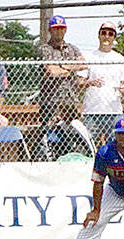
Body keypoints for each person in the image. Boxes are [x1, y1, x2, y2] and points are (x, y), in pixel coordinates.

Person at [38, 16, 87, 147]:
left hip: (71, 100)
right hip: (51, 102)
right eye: (55, 29)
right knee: (50, 138)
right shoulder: (45, 49)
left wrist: (63, 67)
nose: (59, 32)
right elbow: (52, 71)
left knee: (74, 135)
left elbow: (83, 64)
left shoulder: (72, 48)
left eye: (61, 29)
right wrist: (71, 68)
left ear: (65, 30)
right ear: (50, 30)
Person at [81, 22, 124, 148]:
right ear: (99, 35)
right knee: (88, 146)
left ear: (114, 37)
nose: (106, 36)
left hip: (114, 111)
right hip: (91, 111)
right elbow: (78, 83)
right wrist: (90, 82)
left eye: (110, 34)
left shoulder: (120, 59)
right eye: (104, 33)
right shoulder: (88, 57)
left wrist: (123, 89)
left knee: (115, 147)